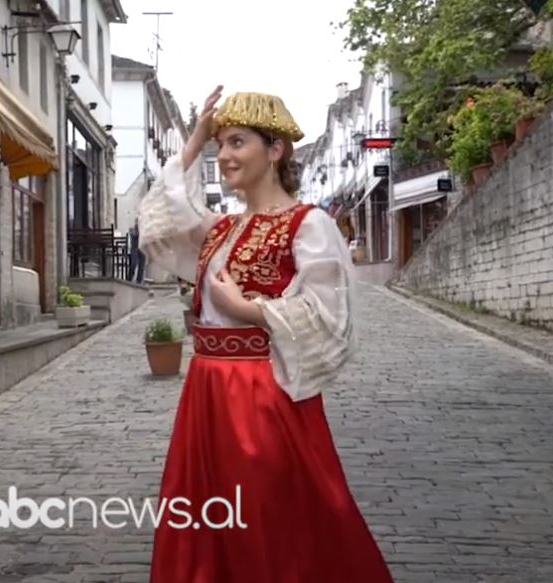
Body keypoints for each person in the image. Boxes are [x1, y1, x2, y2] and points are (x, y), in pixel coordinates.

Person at [138, 87, 395, 582]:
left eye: (237, 142)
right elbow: (163, 223)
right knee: (205, 519)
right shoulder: (221, 228)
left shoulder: (308, 224)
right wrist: (192, 142)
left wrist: (248, 309)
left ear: (274, 149)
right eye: (221, 145)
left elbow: (327, 313)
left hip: (260, 397)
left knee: (266, 521)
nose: (225, 155)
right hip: (205, 392)